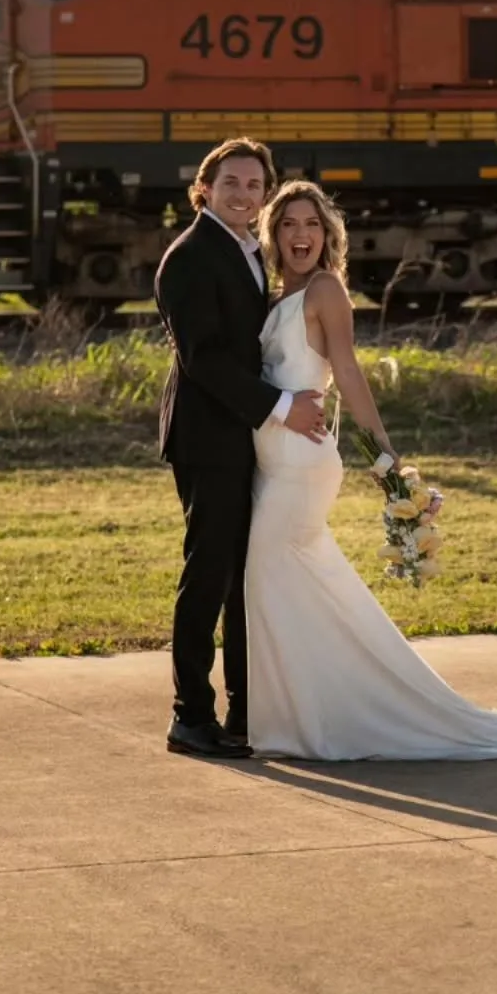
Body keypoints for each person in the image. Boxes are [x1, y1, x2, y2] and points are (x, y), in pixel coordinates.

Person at [244, 179, 497, 762]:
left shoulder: (325, 290)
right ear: (274, 235)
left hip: (302, 460)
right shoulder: (277, 297)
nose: (301, 235)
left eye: (312, 225)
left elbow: (347, 374)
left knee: (271, 573)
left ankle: (328, 716)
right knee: (287, 584)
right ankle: (299, 713)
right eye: (290, 225)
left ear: (328, 236)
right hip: (270, 460)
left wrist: (386, 459)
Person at [154, 139, 329, 759]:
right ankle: (190, 717)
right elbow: (203, 360)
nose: (243, 194)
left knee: (242, 578)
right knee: (209, 573)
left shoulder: (249, 251)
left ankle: (244, 713)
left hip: (248, 440)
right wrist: (281, 407)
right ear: (204, 189)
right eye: (231, 183)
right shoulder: (191, 256)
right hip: (208, 439)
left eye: (255, 186)